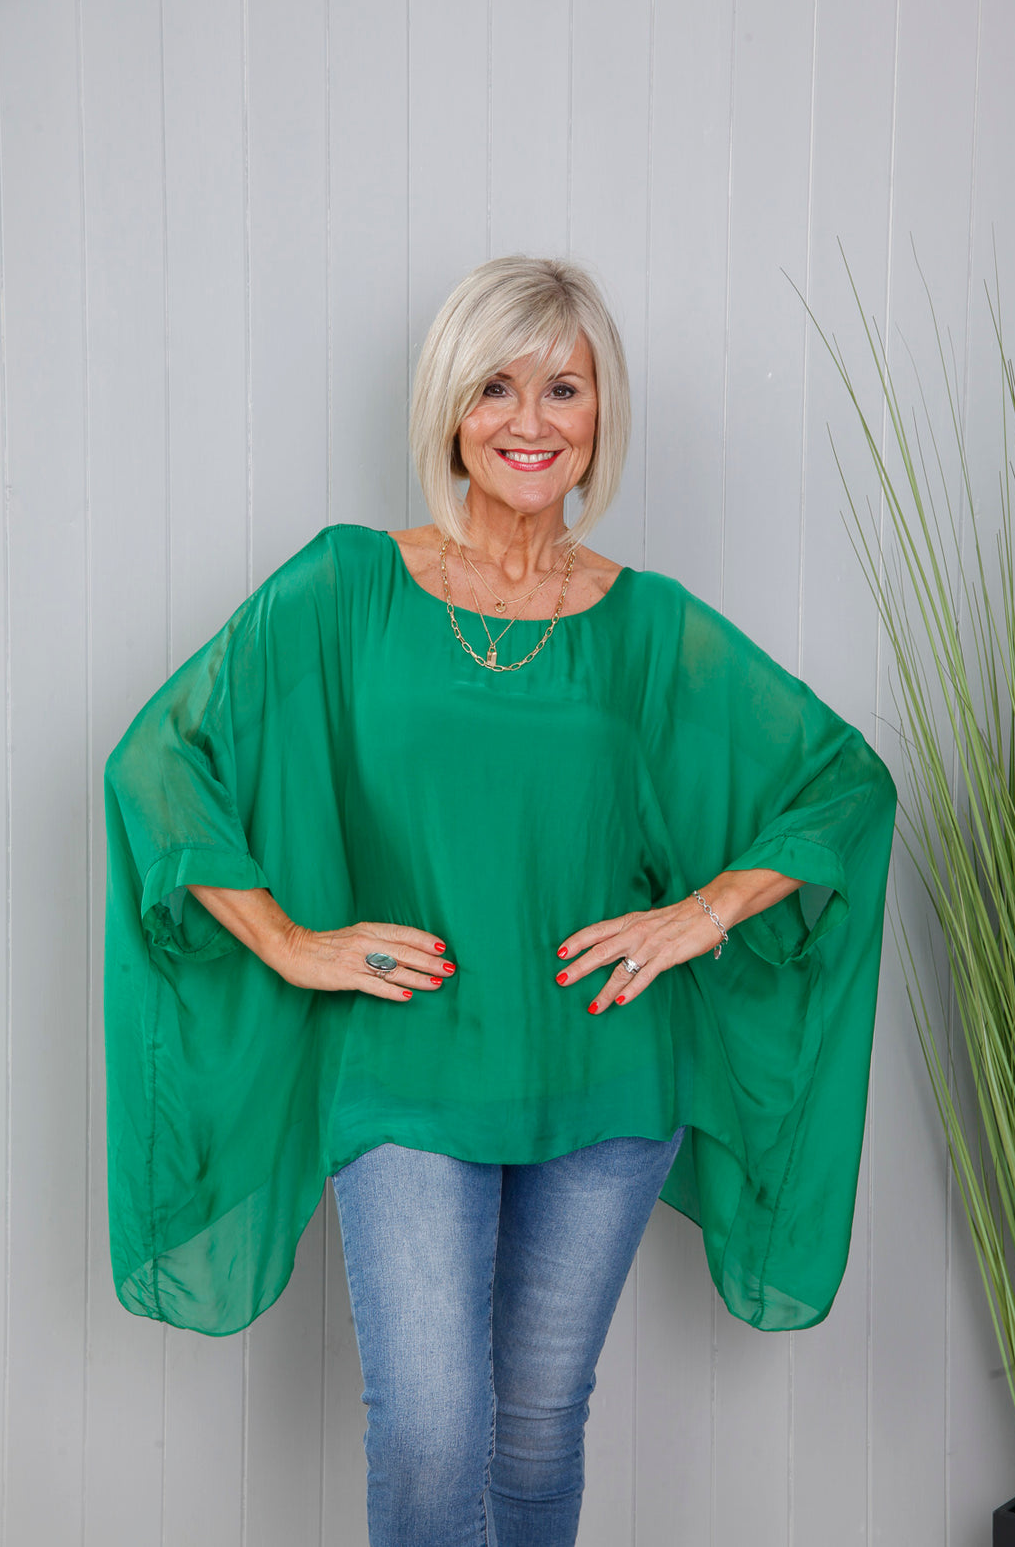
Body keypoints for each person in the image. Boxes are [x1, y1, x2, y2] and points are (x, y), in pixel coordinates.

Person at [103, 256, 896, 1546]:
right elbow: (158, 761)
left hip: (606, 1070)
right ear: (449, 409)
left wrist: (700, 914)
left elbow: (843, 784)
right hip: (406, 1061)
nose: (531, 421)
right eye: (496, 387)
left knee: (535, 1432)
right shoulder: (347, 588)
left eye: (563, 388)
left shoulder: (647, 628)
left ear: (601, 414)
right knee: (430, 1431)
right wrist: (290, 944)